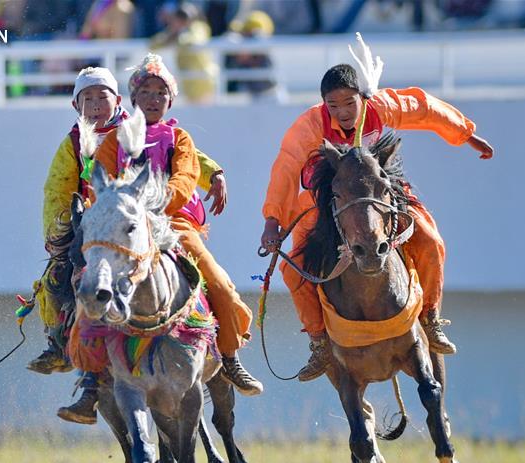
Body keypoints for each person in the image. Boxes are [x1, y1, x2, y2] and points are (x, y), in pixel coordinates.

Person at [260, 35, 494, 382]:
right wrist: (272, 220)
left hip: (382, 194)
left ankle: (429, 318)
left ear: (362, 98)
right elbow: (286, 167)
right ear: (324, 104)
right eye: (333, 105)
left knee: (429, 240)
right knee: (293, 270)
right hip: (324, 201)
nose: (342, 112)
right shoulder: (309, 125)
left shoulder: (381, 107)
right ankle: (320, 342)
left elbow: (423, 107)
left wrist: (465, 134)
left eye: (348, 103)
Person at [32, 64, 250, 424]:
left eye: (102, 97)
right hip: (101, 226)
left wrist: (215, 175)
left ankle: (228, 356)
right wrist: (61, 232)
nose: (96, 105)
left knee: (214, 277)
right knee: (64, 282)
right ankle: (72, 359)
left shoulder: (138, 130)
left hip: (164, 222)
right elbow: (57, 190)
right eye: (87, 99)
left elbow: (190, 163)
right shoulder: (78, 142)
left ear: (118, 101)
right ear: (76, 106)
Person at [92, 53, 263, 396]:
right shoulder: (114, 141)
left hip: (174, 224)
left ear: (170, 100)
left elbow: (186, 178)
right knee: (87, 284)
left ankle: (229, 357)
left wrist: (156, 204)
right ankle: (90, 375)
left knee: (219, 282)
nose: (154, 98)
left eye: (161, 93)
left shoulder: (179, 139)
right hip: (125, 228)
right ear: (133, 98)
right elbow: (104, 181)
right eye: (146, 91)